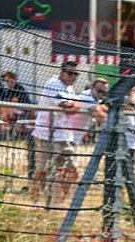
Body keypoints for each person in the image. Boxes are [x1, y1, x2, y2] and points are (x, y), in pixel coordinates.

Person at [31, 61, 82, 206]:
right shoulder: (53, 83)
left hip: (63, 135)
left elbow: (77, 104)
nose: (73, 76)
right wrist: (74, 105)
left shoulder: (70, 88)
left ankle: (58, 202)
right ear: (62, 72)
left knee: (70, 169)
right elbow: (65, 106)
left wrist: (74, 105)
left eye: (76, 74)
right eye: (70, 73)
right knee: (42, 170)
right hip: (45, 134)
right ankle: (35, 203)